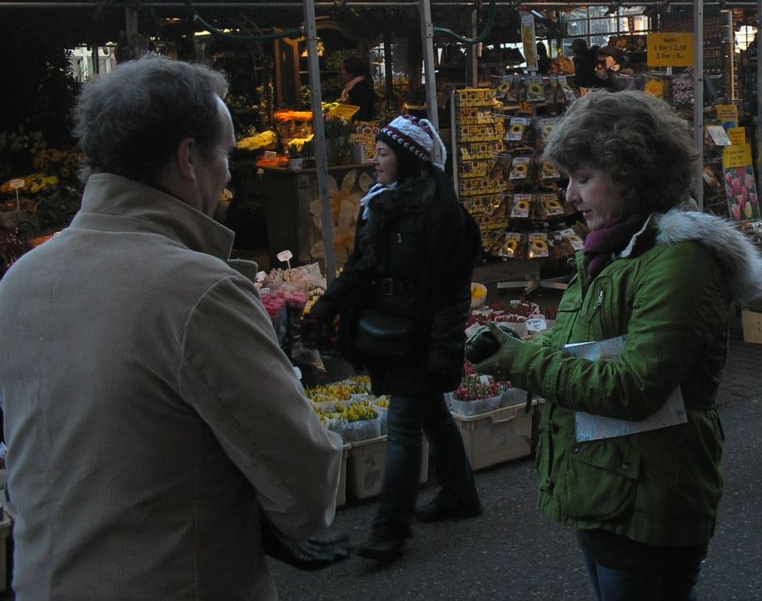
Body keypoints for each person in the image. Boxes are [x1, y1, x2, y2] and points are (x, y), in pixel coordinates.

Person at [0, 55, 342, 600]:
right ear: (188, 158)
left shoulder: (20, 281)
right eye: (225, 154)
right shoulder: (197, 291)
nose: (228, 174)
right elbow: (305, 491)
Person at [473, 90, 762, 599]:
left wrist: (519, 359)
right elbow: (580, 350)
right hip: (608, 489)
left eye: (583, 178)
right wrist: (521, 346)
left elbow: (635, 387)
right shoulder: (611, 253)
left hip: (648, 498)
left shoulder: (679, 262)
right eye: (568, 180)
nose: (569, 197)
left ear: (631, 174)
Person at [304, 114, 482, 564]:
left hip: (421, 334)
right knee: (432, 413)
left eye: (383, 154)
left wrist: (443, 350)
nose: (375, 162)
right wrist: (325, 308)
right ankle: (459, 492)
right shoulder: (379, 204)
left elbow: (452, 292)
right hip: (391, 330)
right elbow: (361, 268)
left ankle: (390, 529)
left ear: (407, 157)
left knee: (404, 425)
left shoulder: (444, 214)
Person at [339, 54, 377, 121]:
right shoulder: (352, 86)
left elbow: (362, 111)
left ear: (351, 71)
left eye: (342, 69)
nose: (341, 72)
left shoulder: (361, 88)